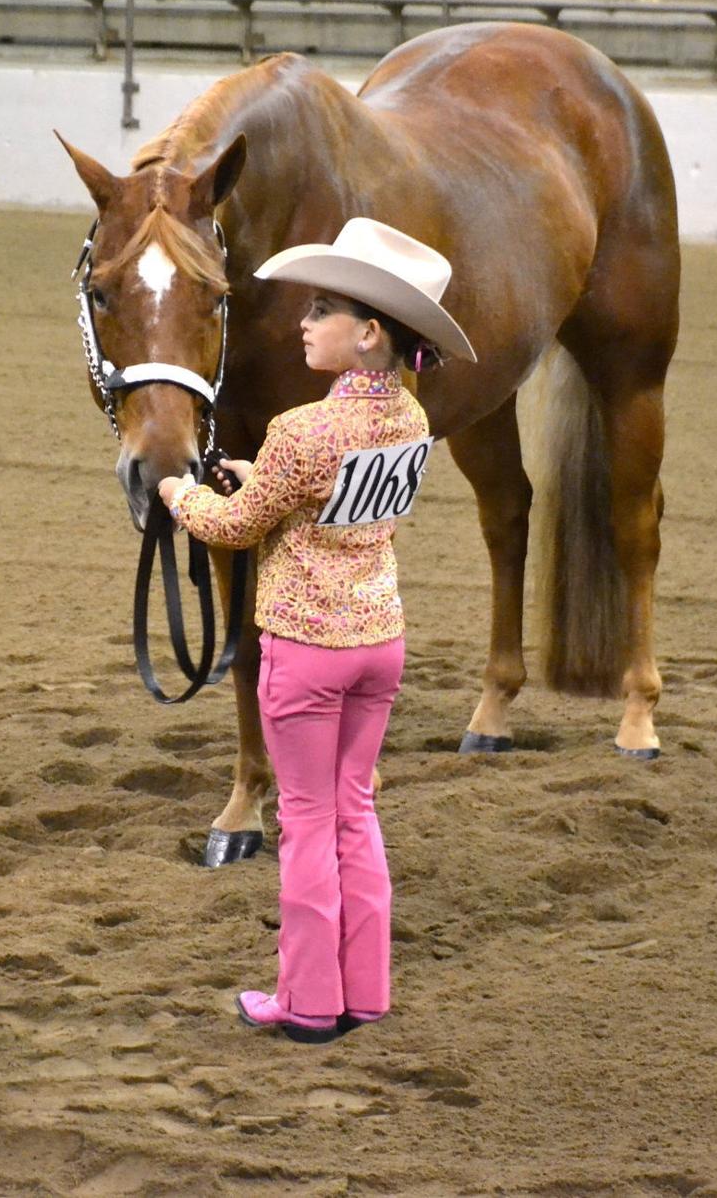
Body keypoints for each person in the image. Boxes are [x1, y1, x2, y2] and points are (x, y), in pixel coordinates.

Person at [158, 218, 476, 1043]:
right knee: (354, 813)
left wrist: (180, 497)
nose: (303, 322)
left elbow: (234, 527)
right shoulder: (411, 420)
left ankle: (304, 1001)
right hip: (379, 638)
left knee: (304, 823)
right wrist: (259, 479)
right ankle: (364, 989)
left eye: (322, 309)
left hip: (306, 650)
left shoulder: (301, 431)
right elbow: (330, 504)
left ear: (368, 332)